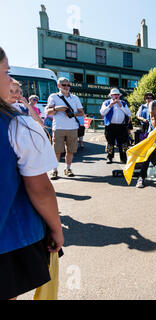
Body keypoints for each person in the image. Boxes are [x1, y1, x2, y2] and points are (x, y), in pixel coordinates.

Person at [0, 47, 63, 300]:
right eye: (6, 72)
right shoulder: (16, 125)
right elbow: (40, 189)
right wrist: (56, 228)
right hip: (8, 238)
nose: (10, 81)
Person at [45, 77, 85, 179]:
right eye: (64, 85)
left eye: (68, 85)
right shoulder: (53, 96)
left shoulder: (75, 98)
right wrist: (57, 108)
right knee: (57, 150)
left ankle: (68, 168)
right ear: (58, 86)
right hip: (58, 127)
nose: (67, 87)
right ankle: (54, 170)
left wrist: (73, 114)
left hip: (72, 128)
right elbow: (48, 112)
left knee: (70, 150)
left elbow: (81, 113)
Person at [100, 88, 132, 164]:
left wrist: (120, 105)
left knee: (123, 143)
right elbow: (102, 113)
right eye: (114, 94)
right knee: (110, 142)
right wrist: (110, 105)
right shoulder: (106, 103)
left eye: (117, 94)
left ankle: (123, 158)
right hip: (110, 126)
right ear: (111, 96)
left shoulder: (123, 103)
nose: (116, 96)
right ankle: (110, 157)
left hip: (121, 126)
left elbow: (128, 113)